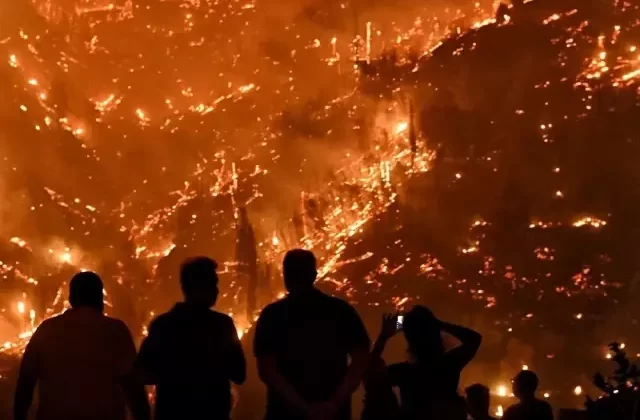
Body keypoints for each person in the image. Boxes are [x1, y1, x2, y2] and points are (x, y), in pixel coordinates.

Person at [14, 271, 150, 420]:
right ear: (100, 299)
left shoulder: (46, 329)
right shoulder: (115, 330)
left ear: (71, 299)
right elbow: (132, 385)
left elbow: (25, 382)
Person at [254, 249, 370, 420]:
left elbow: (267, 370)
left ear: (285, 275)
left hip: (285, 413)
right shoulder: (342, 311)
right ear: (314, 275)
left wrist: (303, 407)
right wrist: (333, 404)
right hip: (334, 414)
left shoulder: (272, 315)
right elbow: (360, 361)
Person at [137, 257, 246, 420]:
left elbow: (144, 374)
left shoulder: (162, 325)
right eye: (214, 284)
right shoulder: (221, 326)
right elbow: (239, 374)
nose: (218, 291)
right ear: (202, 287)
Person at [371, 307, 482, 419]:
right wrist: (440, 324)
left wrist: (384, 337)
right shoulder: (449, 364)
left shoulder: (404, 373)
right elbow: (474, 339)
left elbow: (369, 372)